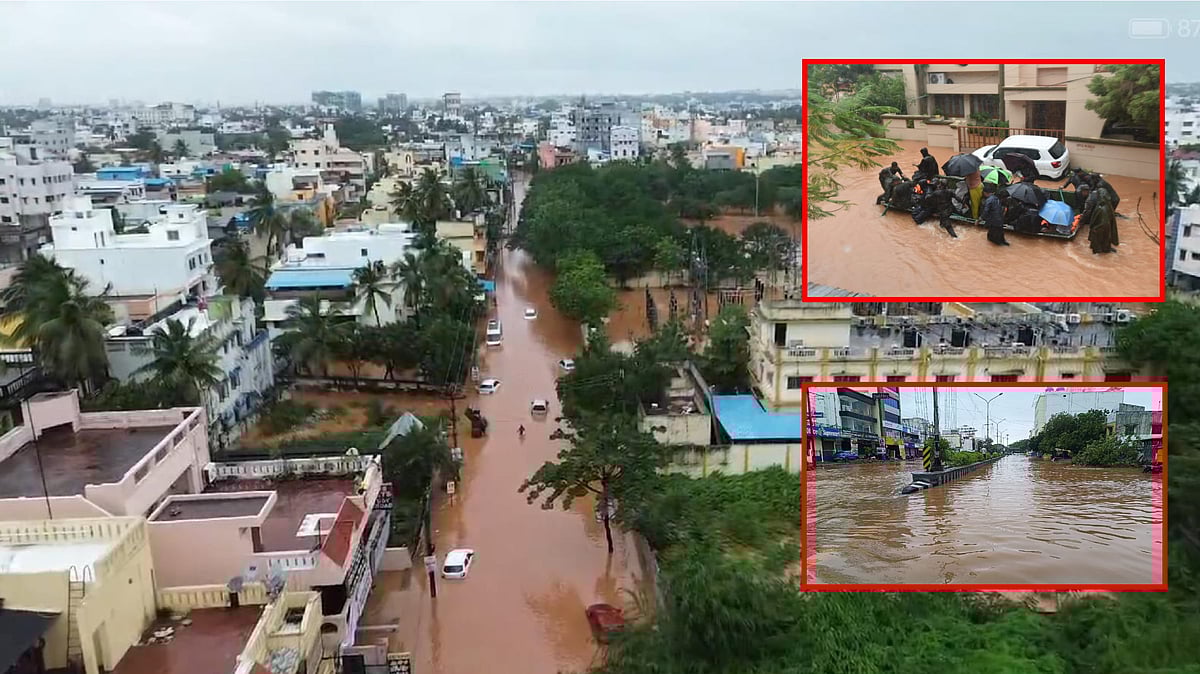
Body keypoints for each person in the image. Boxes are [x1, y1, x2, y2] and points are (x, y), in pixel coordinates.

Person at [1089, 188, 1117, 254]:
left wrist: (1092, 227)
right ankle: (1106, 249)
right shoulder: (1109, 206)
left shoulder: (1100, 207)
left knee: (1097, 245)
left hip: (1100, 227)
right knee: (1106, 239)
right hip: (1107, 227)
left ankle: (1097, 252)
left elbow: (1094, 219)